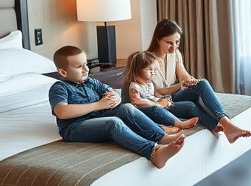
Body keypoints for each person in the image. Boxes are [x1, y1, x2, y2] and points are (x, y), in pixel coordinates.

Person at [49, 45, 184, 169]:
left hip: (98, 117)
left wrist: (114, 98)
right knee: (114, 123)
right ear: (63, 72)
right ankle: (154, 152)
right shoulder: (60, 87)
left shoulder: (91, 82)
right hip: (74, 127)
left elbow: (114, 93)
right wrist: (98, 105)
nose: (86, 69)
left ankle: (161, 137)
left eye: (86, 64)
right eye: (79, 67)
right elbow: (62, 112)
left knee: (127, 108)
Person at [146, 19, 251, 143]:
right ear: (158, 39)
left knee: (202, 83)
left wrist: (191, 81)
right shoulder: (147, 61)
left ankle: (226, 122)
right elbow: (157, 91)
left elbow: (183, 75)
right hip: (160, 105)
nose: (174, 47)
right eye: (169, 43)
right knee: (192, 106)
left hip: (173, 97)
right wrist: (181, 85)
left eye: (177, 42)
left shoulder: (175, 54)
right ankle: (217, 126)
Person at [123, 51, 199, 133]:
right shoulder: (135, 86)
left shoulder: (149, 84)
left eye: (155, 70)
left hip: (153, 106)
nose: (153, 73)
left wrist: (161, 100)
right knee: (158, 110)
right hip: (143, 111)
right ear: (138, 70)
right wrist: (156, 104)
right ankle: (180, 124)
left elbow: (152, 96)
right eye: (150, 70)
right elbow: (136, 101)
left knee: (170, 107)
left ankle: (169, 125)